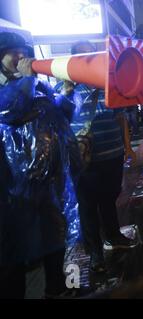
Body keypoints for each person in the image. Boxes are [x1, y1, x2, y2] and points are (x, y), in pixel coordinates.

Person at [0, 31, 81, 298]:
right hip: (13, 193)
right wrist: (26, 80)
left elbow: (62, 116)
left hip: (49, 186)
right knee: (13, 259)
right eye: (13, 51)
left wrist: (67, 93)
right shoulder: (14, 87)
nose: (20, 55)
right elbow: (10, 110)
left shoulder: (36, 85)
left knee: (54, 244)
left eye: (22, 49)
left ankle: (57, 290)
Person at [56, 40, 138, 274]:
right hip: (86, 160)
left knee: (109, 198)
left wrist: (127, 146)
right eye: (83, 57)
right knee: (88, 206)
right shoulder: (66, 90)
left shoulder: (110, 85)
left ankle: (114, 236)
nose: (90, 59)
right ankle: (95, 254)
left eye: (93, 55)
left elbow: (121, 118)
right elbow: (59, 123)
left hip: (113, 155)